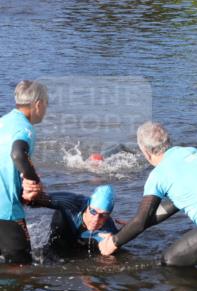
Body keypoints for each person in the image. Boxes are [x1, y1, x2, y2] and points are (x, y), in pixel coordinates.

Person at [99, 122, 197, 266]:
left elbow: (140, 223)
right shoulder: (191, 152)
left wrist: (113, 242)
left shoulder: (158, 175)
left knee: (170, 261)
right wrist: (135, 224)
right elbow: (173, 204)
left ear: (146, 152)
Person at [0, 80, 48, 263]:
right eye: (46, 104)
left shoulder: (2, 122)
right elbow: (17, 154)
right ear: (38, 104)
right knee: (23, 269)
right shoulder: (25, 128)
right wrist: (34, 182)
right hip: (6, 211)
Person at [38, 185, 119, 254]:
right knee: (56, 248)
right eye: (93, 211)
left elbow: (113, 244)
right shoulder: (73, 202)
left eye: (103, 215)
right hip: (65, 226)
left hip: (85, 238)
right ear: (88, 205)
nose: (96, 219)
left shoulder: (109, 229)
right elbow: (38, 198)